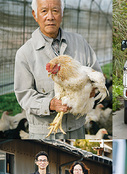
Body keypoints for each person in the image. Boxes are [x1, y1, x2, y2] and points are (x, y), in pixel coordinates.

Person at [14, 0, 101, 139]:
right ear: (35, 15)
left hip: (76, 128)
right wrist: (50, 104)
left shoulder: (80, 43)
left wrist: (92, 89)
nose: (50, 17)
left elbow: (96, 74)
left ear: (62, 14)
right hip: (44, 132)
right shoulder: (25, 53)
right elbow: (24, 94)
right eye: (44, 11)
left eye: (55, 10)